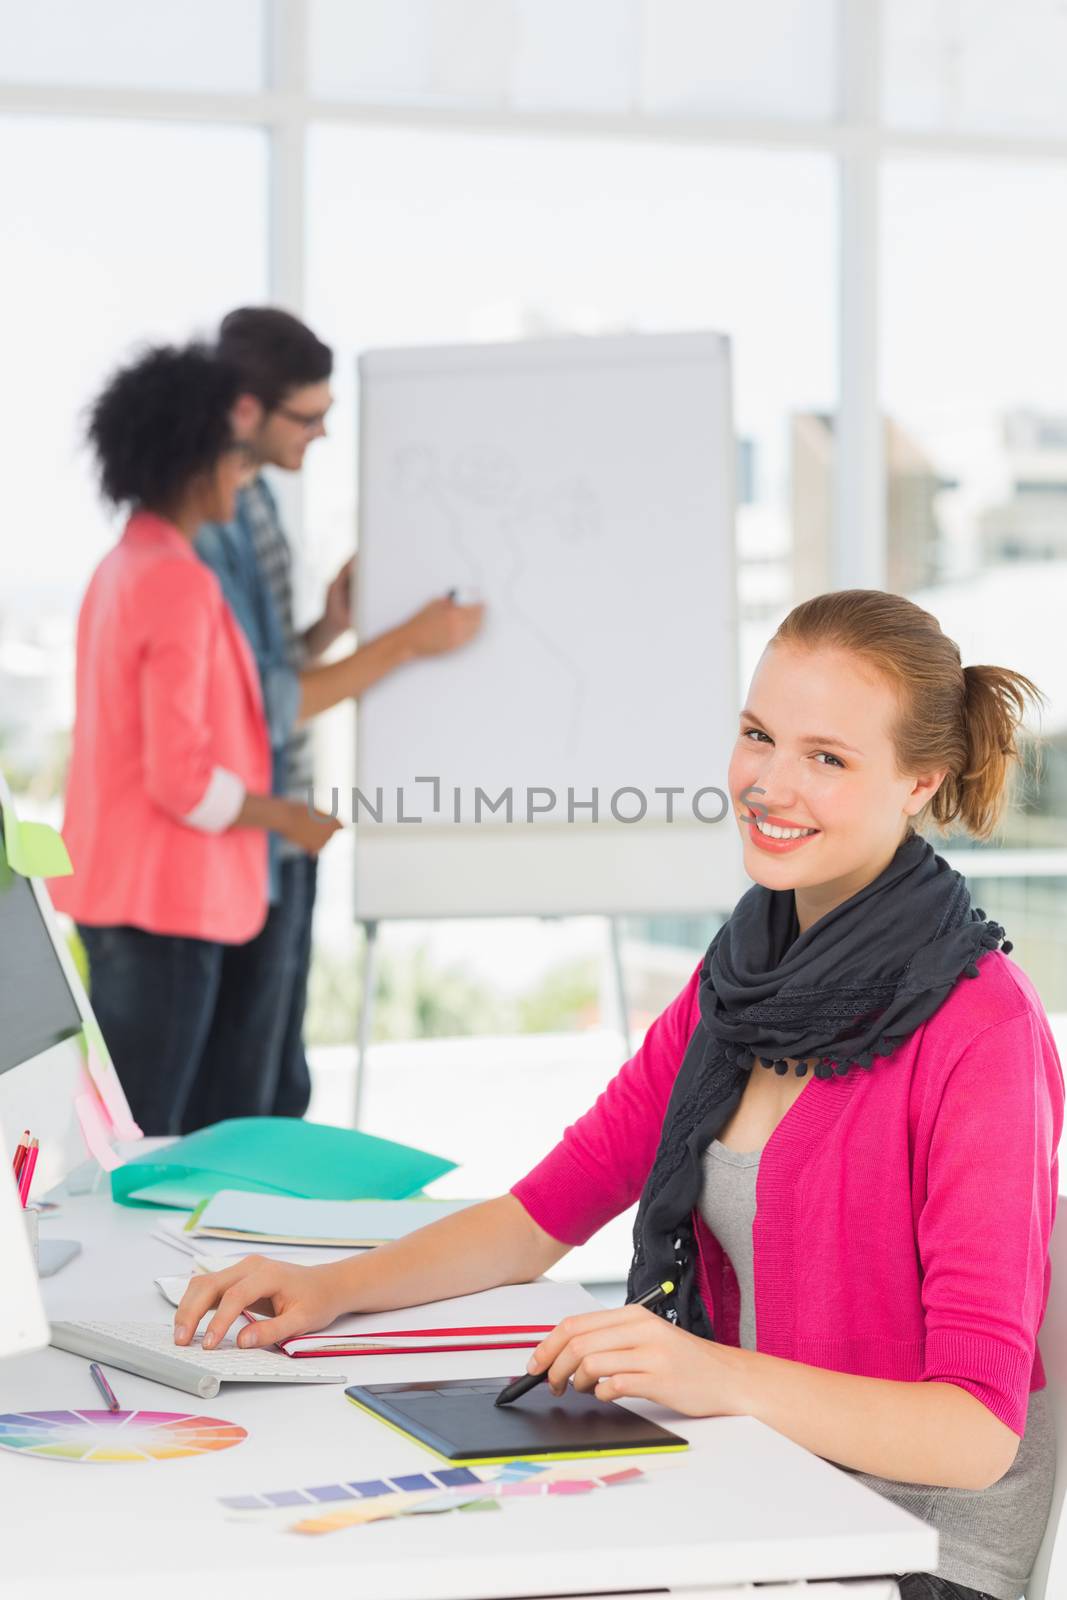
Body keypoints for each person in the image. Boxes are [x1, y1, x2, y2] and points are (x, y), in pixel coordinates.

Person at [175, 588, 1062, 1600]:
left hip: (913, 1545)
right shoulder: (740, 978)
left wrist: (712, 1377)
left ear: (919, 782)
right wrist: (327, 1288)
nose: (769, 785)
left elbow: (974, 1431)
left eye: (826, 757)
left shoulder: (981, 1028)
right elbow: (535, 1219)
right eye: (756, 735)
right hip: (763, 1483)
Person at [194, 306, 484, 1123]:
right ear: (245, 409)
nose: (321, 435)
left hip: (279, 842)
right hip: (244, 839)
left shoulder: (256, 502)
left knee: (278, 1087)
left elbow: (270, 668)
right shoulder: (208, 522)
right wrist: (406, 643)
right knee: (237, 1099)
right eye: (308, 417)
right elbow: (260, 706)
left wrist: (330, 622)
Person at [52, 344, 339, 1135]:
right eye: (236, 457)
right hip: (164, 910)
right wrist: (287, 819)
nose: (247, 475)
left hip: (124, 902)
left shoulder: (126, 565)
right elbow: (180, 779)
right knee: (150, 1145)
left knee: (132, 1129)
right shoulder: (176, 581)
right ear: (194, 460)